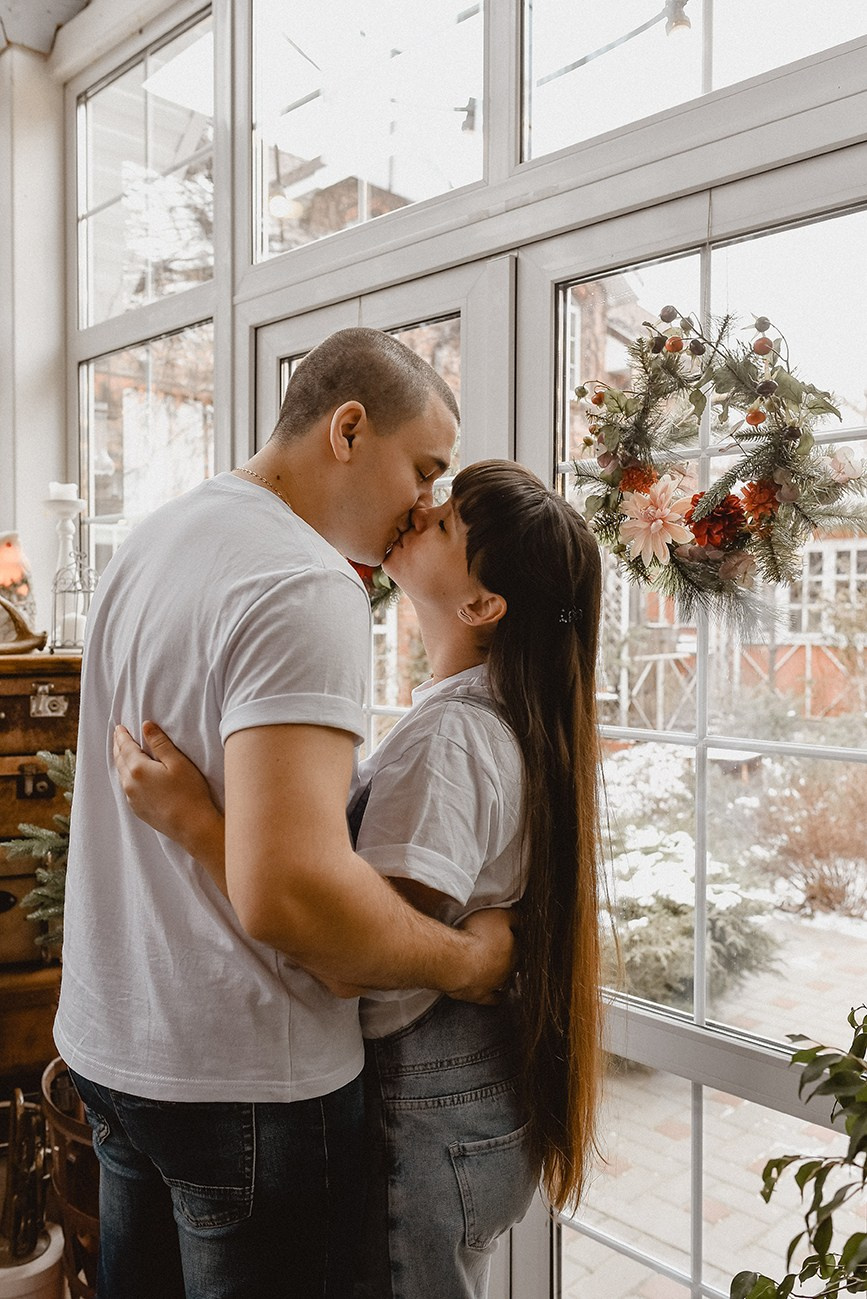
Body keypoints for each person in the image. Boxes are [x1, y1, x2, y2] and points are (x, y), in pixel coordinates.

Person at [54, 329, 515, 1299]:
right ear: (348, 429)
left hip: (111, 1047)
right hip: (247, 1085)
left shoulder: (153, 540)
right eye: (424, 469)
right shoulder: (305, 584)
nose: (425, 504)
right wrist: (469, 961)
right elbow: (294, 898)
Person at [113, 459, 606, 1299]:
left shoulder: (451, 736)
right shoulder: (489, 713)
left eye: (447, 519)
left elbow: (353, 962)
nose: (421, 507)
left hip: (427, 1113)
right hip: (462, 1108)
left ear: (483, 605)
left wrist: (197, 824)